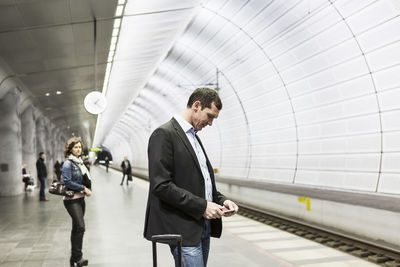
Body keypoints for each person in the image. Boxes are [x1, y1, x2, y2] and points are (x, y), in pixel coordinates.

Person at [144, 88, 239, 267]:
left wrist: (222, 201)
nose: (210, 123)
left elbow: (202, 182)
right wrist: (202, 206)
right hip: (183, 228)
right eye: (209, 116)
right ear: (196, 106)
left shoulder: (193, 137)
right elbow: (161, 185)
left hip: (202, 225)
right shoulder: (164, 134)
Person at [61, 137, 92, 267]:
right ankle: (78, 257)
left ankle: (74, 258)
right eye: (76, 147)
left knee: (76, 228)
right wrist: (83, 188)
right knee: (81, 226)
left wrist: (86, 189)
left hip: (80, 199)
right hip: (71, 200)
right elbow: (67, 181)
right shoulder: (68, 163)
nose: (78, 149)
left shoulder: (79, 162)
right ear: (70, 149)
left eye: (80, 147)